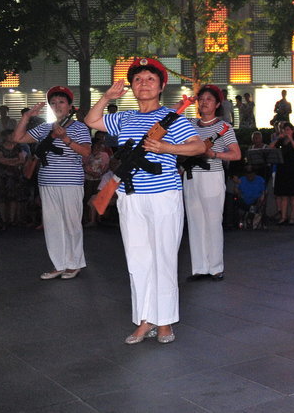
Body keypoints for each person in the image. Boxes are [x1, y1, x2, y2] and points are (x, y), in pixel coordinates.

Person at [84, 57, 203, 345]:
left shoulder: (173, 119)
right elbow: (91, 121)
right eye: (138, 80)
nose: (144, 84)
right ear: (133, 88)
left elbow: (199, 145)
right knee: (138, 260)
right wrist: (106, 97)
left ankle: (164, 323)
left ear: (161, 86)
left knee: (164, 258)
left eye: (150, 79)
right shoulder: (124, 117)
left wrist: (166, 147)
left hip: (164, 196)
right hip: (129, 196)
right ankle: (144, 320)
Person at [13, 87, 92, 279]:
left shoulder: (80, 127)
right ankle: (59, 263)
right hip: (47, 182)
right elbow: (18, 138)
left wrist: (66, 139)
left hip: (70, 182)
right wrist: (27, 116)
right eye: (53, 103)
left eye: (61, 102)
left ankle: (74, 263)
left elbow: (86, 153)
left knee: (72, 223)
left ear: (70, 106)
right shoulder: (45, 127)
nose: (57, 106)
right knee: (52, 225)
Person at [184, 84, 241, 282]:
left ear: (217, 104)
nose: (204, 102)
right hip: (191, 176)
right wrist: (184, 104)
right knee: (195, 221)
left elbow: (236, 154)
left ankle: (216, 267)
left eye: (209, 99)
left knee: (213, 221)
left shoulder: (223, 127)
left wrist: (213, 153)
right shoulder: (189, 123)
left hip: (212, 174)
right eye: (202, 99)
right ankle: (199, 267)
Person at [270, 122, 294, 225]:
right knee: (283, 195)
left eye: (288, 129)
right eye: (285, 129)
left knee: (293, 195)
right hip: (282, 168)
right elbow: (270, 148)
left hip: (293, 168)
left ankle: (292, 217)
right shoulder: (280, 141)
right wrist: (278, 138)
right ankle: (284, 217)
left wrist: (290, 138)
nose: (286, 131)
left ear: (292, 130)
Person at [82, 134, 111, 227]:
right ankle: (87, 218)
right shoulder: (87, 154)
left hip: (100, 179)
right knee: (87, 198)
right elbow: (83, 164)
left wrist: (101, 173)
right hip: (88, 179)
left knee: (98, 197)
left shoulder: (104, 155)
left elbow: (107, 166)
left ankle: (98, 218)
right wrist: (90, 172)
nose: (99, 147)